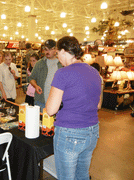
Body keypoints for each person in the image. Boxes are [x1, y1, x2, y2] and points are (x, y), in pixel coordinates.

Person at [46, 36, 102, 180]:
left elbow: (51, 110)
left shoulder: (63, 73)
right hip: (92, 131)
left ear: (64, 51)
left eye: (58, 53)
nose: (58, 58)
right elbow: (98, 105)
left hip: (69, 132)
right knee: (82, 175)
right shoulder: (95, 72)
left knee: (66, 177)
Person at [29, 39, 62, 112]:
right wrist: (36, 86)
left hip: (57, 103)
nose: (47, 51)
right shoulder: (39, 63)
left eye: (50, 49)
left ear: (55, 49)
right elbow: (31, 78)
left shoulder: (61, 64)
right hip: (41, 101)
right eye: (45, 49)